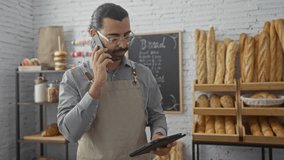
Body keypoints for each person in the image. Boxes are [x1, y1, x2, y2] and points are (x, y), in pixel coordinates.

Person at [57, 3, 174, 160]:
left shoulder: (143, 74)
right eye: (113, 38)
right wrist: (96, 86)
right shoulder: (73, 78)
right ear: (93, 34)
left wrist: (159, 135)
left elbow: (157, 116)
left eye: (127, 36)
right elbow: (70, 133)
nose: (124, 44)